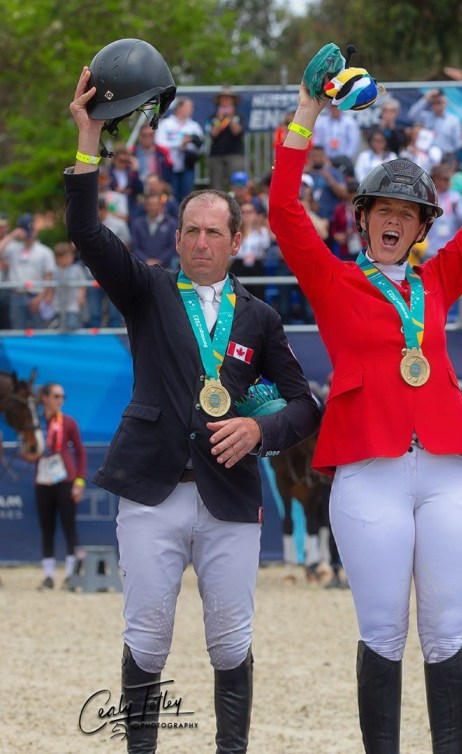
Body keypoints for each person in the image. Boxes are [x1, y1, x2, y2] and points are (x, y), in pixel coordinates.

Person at [67, 63, 321, 754]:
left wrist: (259, 429)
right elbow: (87, 233)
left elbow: (304, 408)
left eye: (214, 232)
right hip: (152, 489)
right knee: (147, 636)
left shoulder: (261, 318)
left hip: (230, 496)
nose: (201, 241)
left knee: (229, 639)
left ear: (237, 242)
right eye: (191, 231)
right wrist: (90, 139)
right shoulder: (146, 292)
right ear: (177, 239)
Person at [268, 71, 462, 753]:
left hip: (444, 473)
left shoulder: (439, 278)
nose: (393, 218)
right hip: (368, 472)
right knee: (381, 632)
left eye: (406, 213)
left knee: (446, 633)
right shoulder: (332, 281)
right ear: (363, 217)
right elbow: (283, 211)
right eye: (382, 208)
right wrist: (304, 114)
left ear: (418, 228)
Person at [21, 382, 86, 590]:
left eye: (62, 397)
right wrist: (29, 453)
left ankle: (70, 575)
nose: (60, 400)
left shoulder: (68, 422)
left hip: (65, 481)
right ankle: (48, 576)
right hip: (43, 481)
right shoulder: (35, 423)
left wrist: (79, 481)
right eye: (57, 396)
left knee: (69, 527)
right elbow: (27, 453)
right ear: (46, 399)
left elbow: (80, 452)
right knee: (47, 528)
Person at [154, 96, 204, 200]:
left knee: (186, 196)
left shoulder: (194, 126)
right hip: (169, 166)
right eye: (189, 107)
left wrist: (191, 143)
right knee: (170, 195)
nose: (192, 110)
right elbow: (159, 143)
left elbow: (202, 147)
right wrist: (179, 144)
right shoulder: (165, 124)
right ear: (179, 108)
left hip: (187, 166)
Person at [206, 86, 246, 191]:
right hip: (216, 155)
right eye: (223, 98)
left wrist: (230, 118)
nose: (225, 101)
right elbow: (213, 133)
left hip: (234, 154)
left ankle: (236, 206)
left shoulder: (238, 116)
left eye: (228, 99)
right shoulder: (213, 116)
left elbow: (237, 132)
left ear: (233, 101)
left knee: (237, 184)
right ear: (219, 101)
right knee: (216, 185)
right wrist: (220, 119)